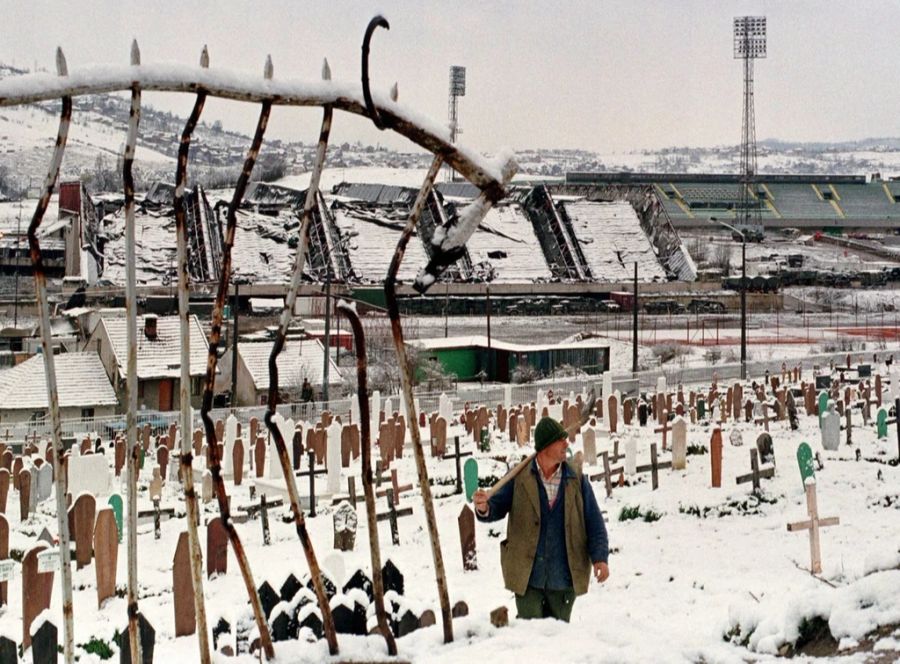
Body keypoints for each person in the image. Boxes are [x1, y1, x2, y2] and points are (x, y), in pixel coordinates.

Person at [473, 416, 609, 622]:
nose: (567, 444)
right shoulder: (519, 477)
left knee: (558, 640)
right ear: (546, 447)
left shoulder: (576, 479)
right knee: (529, 641)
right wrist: (483, 507)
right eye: (560, 440)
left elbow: (594, 521)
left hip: (563, 578)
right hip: (528, 578)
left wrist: (600, 558)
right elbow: (495, 508)